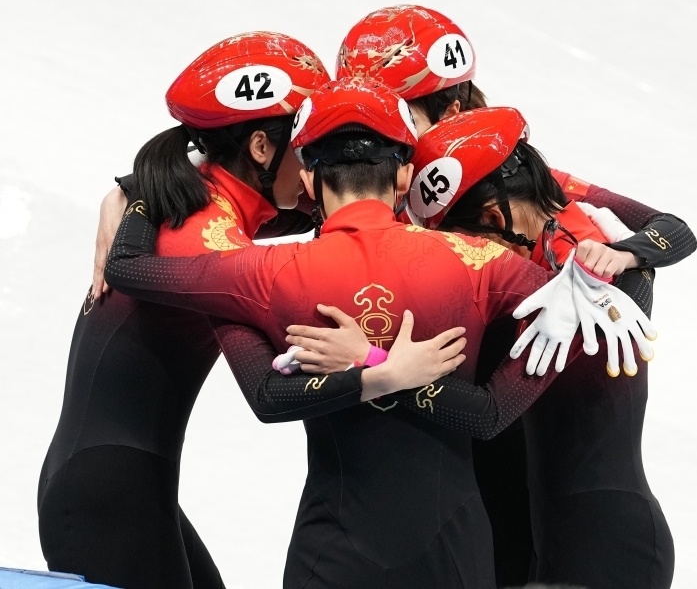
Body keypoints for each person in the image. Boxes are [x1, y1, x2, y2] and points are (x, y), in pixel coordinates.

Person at [104, 78, 644, 588]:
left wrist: (150, 184)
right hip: (455, 555)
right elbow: (493, 411)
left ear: (310, 182)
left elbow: (127, 268)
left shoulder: (262, 272)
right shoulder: (480, 262)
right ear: (405, 178)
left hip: (332, 554)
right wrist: (623, 261)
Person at [38, 33, 463, 589]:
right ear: (261, 147)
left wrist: (131, 186)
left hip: (115, 480)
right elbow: (268, 389)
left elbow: (341, 209)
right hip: (112, 494)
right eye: (307, 146)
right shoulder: (208, 239)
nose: (315, 163)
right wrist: (380, 369)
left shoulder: (199, 199)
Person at [326, 3, 697, 586]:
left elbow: (668, 229)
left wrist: (628, 258)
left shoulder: (511, 190)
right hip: (519, 512)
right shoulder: (438, 185)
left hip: (562, 515)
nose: (378, 134)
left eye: (396, 115)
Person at [406, 106, 689, 589]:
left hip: (605, 546)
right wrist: (635, 263)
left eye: (465, 245)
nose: (468, 263)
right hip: (563, 538)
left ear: (494, 218)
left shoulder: (573, 297)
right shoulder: (555, 233)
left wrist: (370, 367)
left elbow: (488, 413)